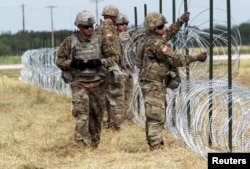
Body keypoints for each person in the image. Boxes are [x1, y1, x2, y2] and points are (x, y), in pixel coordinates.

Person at [139, 12, 207, 151]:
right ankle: (155, 147)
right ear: (152, 28)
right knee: (156, 115)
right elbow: (176, 58)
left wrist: (180, 21)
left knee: (155, 114)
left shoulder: (151, 38)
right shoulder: (156, 43)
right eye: (160, 27)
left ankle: (155, 143)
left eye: (163, 26)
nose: (163, 29)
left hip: (154, 81)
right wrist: (195, 58)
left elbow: (169, 33)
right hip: (153, 83)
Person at [56, 10, 106, 148]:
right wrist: (72, 63)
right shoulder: (70, 42)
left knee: (97, 116)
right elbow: (59, 61)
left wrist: (100, 62)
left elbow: (114, 57)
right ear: (79, 26)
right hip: (79, 83)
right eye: (86, 27)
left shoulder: (100, 40)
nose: (89, 29)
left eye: (91, 26)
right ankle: (81, 146)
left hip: (98, 83)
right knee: (82, 114)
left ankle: (94, 143)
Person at [95, 5, 125, 131]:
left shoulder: (97, 28)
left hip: (99, 68)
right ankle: (114, 126)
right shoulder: (109, 30)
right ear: (114, 16)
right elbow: (112, 52)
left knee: (102, 98)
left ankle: (103, 124)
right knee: (115, 98)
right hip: (109, 68)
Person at [116, 13, 134, 120]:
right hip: (119, 70)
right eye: (122, 24)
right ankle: (119, 118)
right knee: (119, 96)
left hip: (129, 70)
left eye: (126, 24)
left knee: (129, 94)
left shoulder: (130, 38)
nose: (124, 26)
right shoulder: (112, 38)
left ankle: (128, 117)